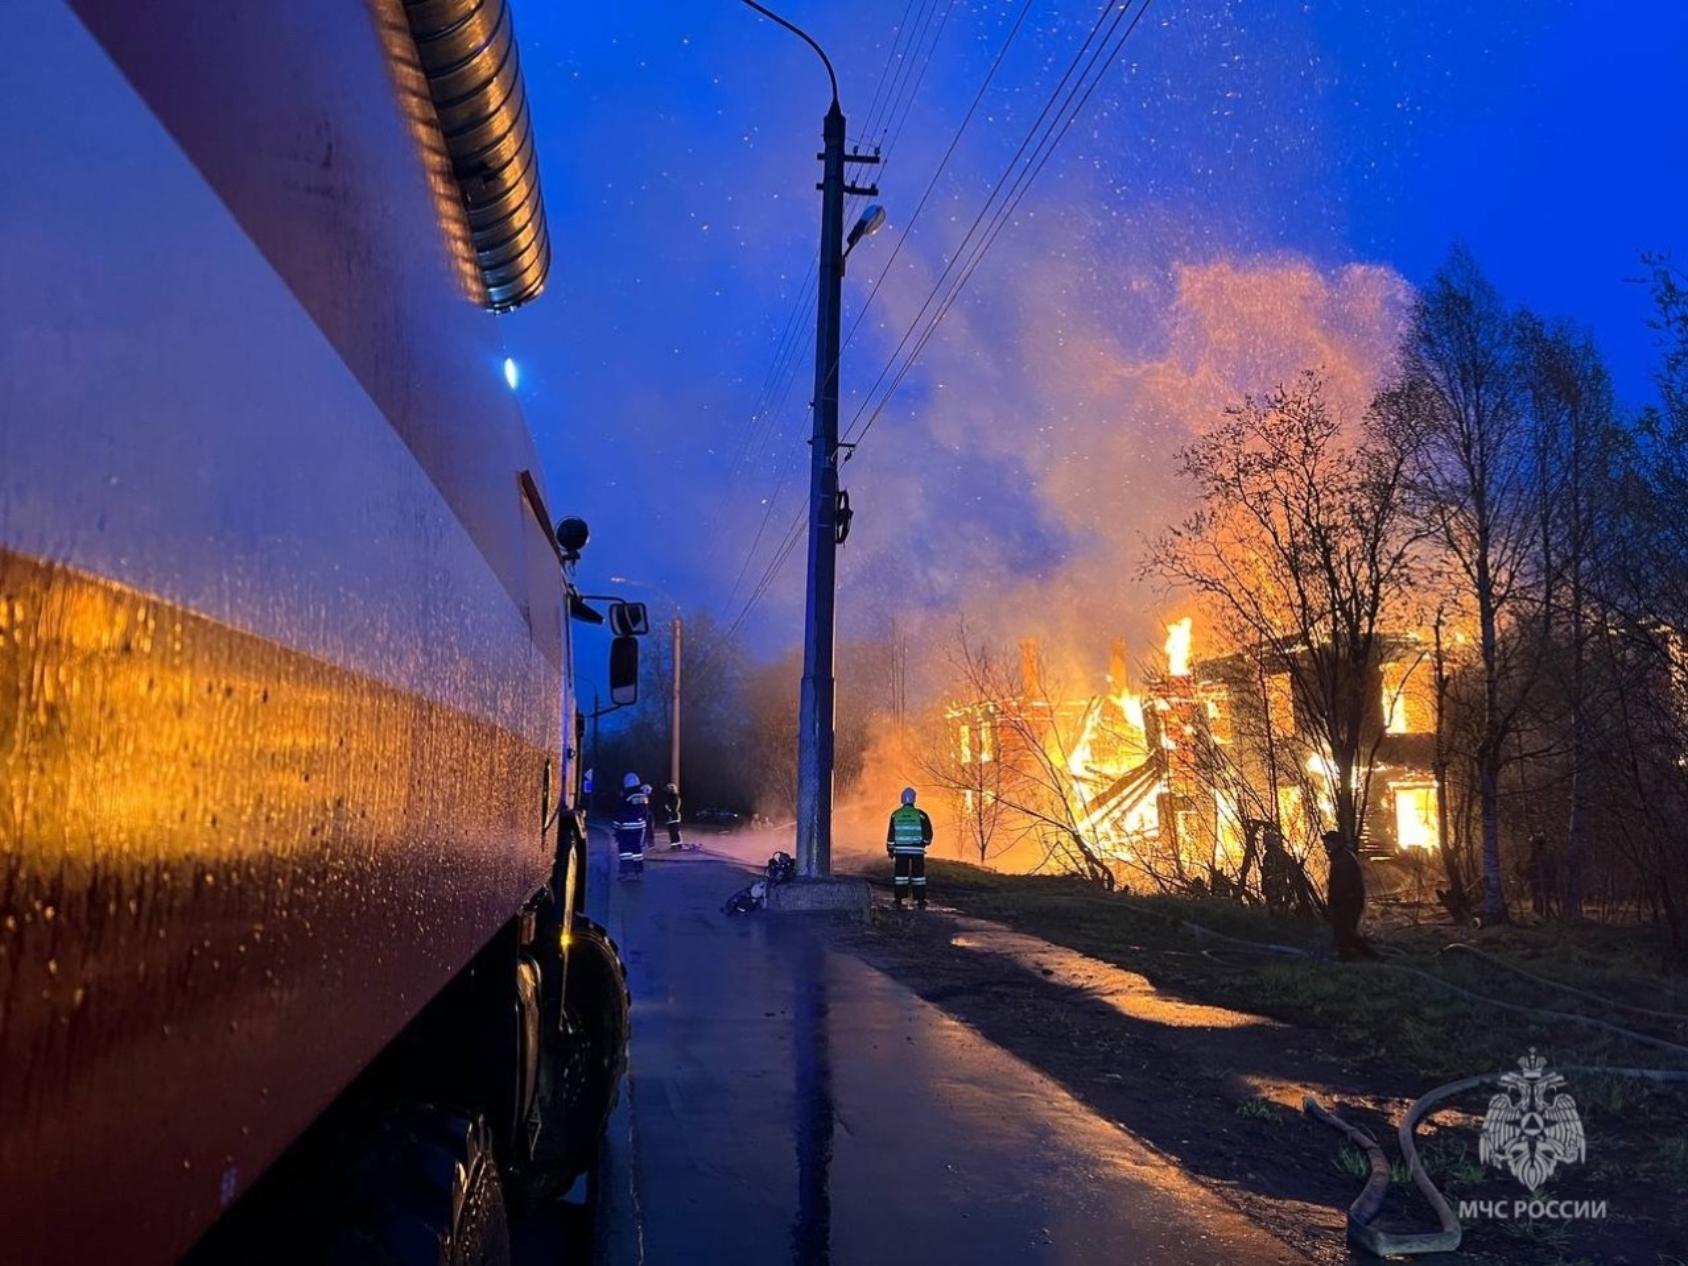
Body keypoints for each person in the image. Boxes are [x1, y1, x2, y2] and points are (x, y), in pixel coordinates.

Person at [1322, 830, 1376, 960]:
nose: (1325, 845)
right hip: (1348, 903)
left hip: (1348, 904)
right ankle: (1357, 958)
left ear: (1336, 843)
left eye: (1328, 842)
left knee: (1345, 933)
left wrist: (1335, 905)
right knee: (1345, 933)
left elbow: (1341, 887)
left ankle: (1358, 958)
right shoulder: (1341, 857)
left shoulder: (1343, 860)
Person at [886, 787, 934, 909]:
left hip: (901, 851)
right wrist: (924, 842)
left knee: (900, 876)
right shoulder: (921, 815)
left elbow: (891, 833)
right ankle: (920, 899)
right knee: (919, 876)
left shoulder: (895, 814)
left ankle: (898, 899)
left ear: (902, 799)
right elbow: (928, 832)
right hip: (917, 851)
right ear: (914, 799)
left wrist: (890, 849)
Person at [614, 773, 651, 880]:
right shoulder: (643, 796)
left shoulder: (625, 796)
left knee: (625, 850)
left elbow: (619, 812)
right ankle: (637, 872)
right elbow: (646, 812)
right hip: (639, 827)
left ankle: (626, 872)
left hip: (626, 828)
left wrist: (616, 828)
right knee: (637, 849)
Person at [659, 782, 685, 850]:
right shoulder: (669, 797)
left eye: (668, 788)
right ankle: (673, 845)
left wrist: (668, 809)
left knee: (675, 830)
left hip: (674, 816)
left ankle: (679, 844)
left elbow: (674, 807)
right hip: (669, 816)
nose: (667, 790)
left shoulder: (675, 796)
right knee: (671, 831)